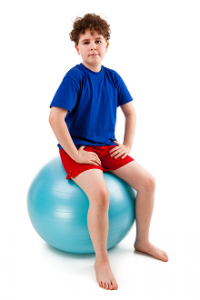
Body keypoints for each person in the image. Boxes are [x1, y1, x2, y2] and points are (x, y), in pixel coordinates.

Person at [49, 13, 168, 291]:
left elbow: (131, 113)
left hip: (107, 147)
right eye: (86, 41)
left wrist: (127, 146)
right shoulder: (74, 76)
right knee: (101, 194)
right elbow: (55, 118)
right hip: (79, 149)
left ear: (107, 46)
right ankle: (101, 259)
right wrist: (76, 154)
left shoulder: (113, 78)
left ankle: (142, 241)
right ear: (77, 48)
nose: (92, 46)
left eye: (98, 41)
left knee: (148, 182)